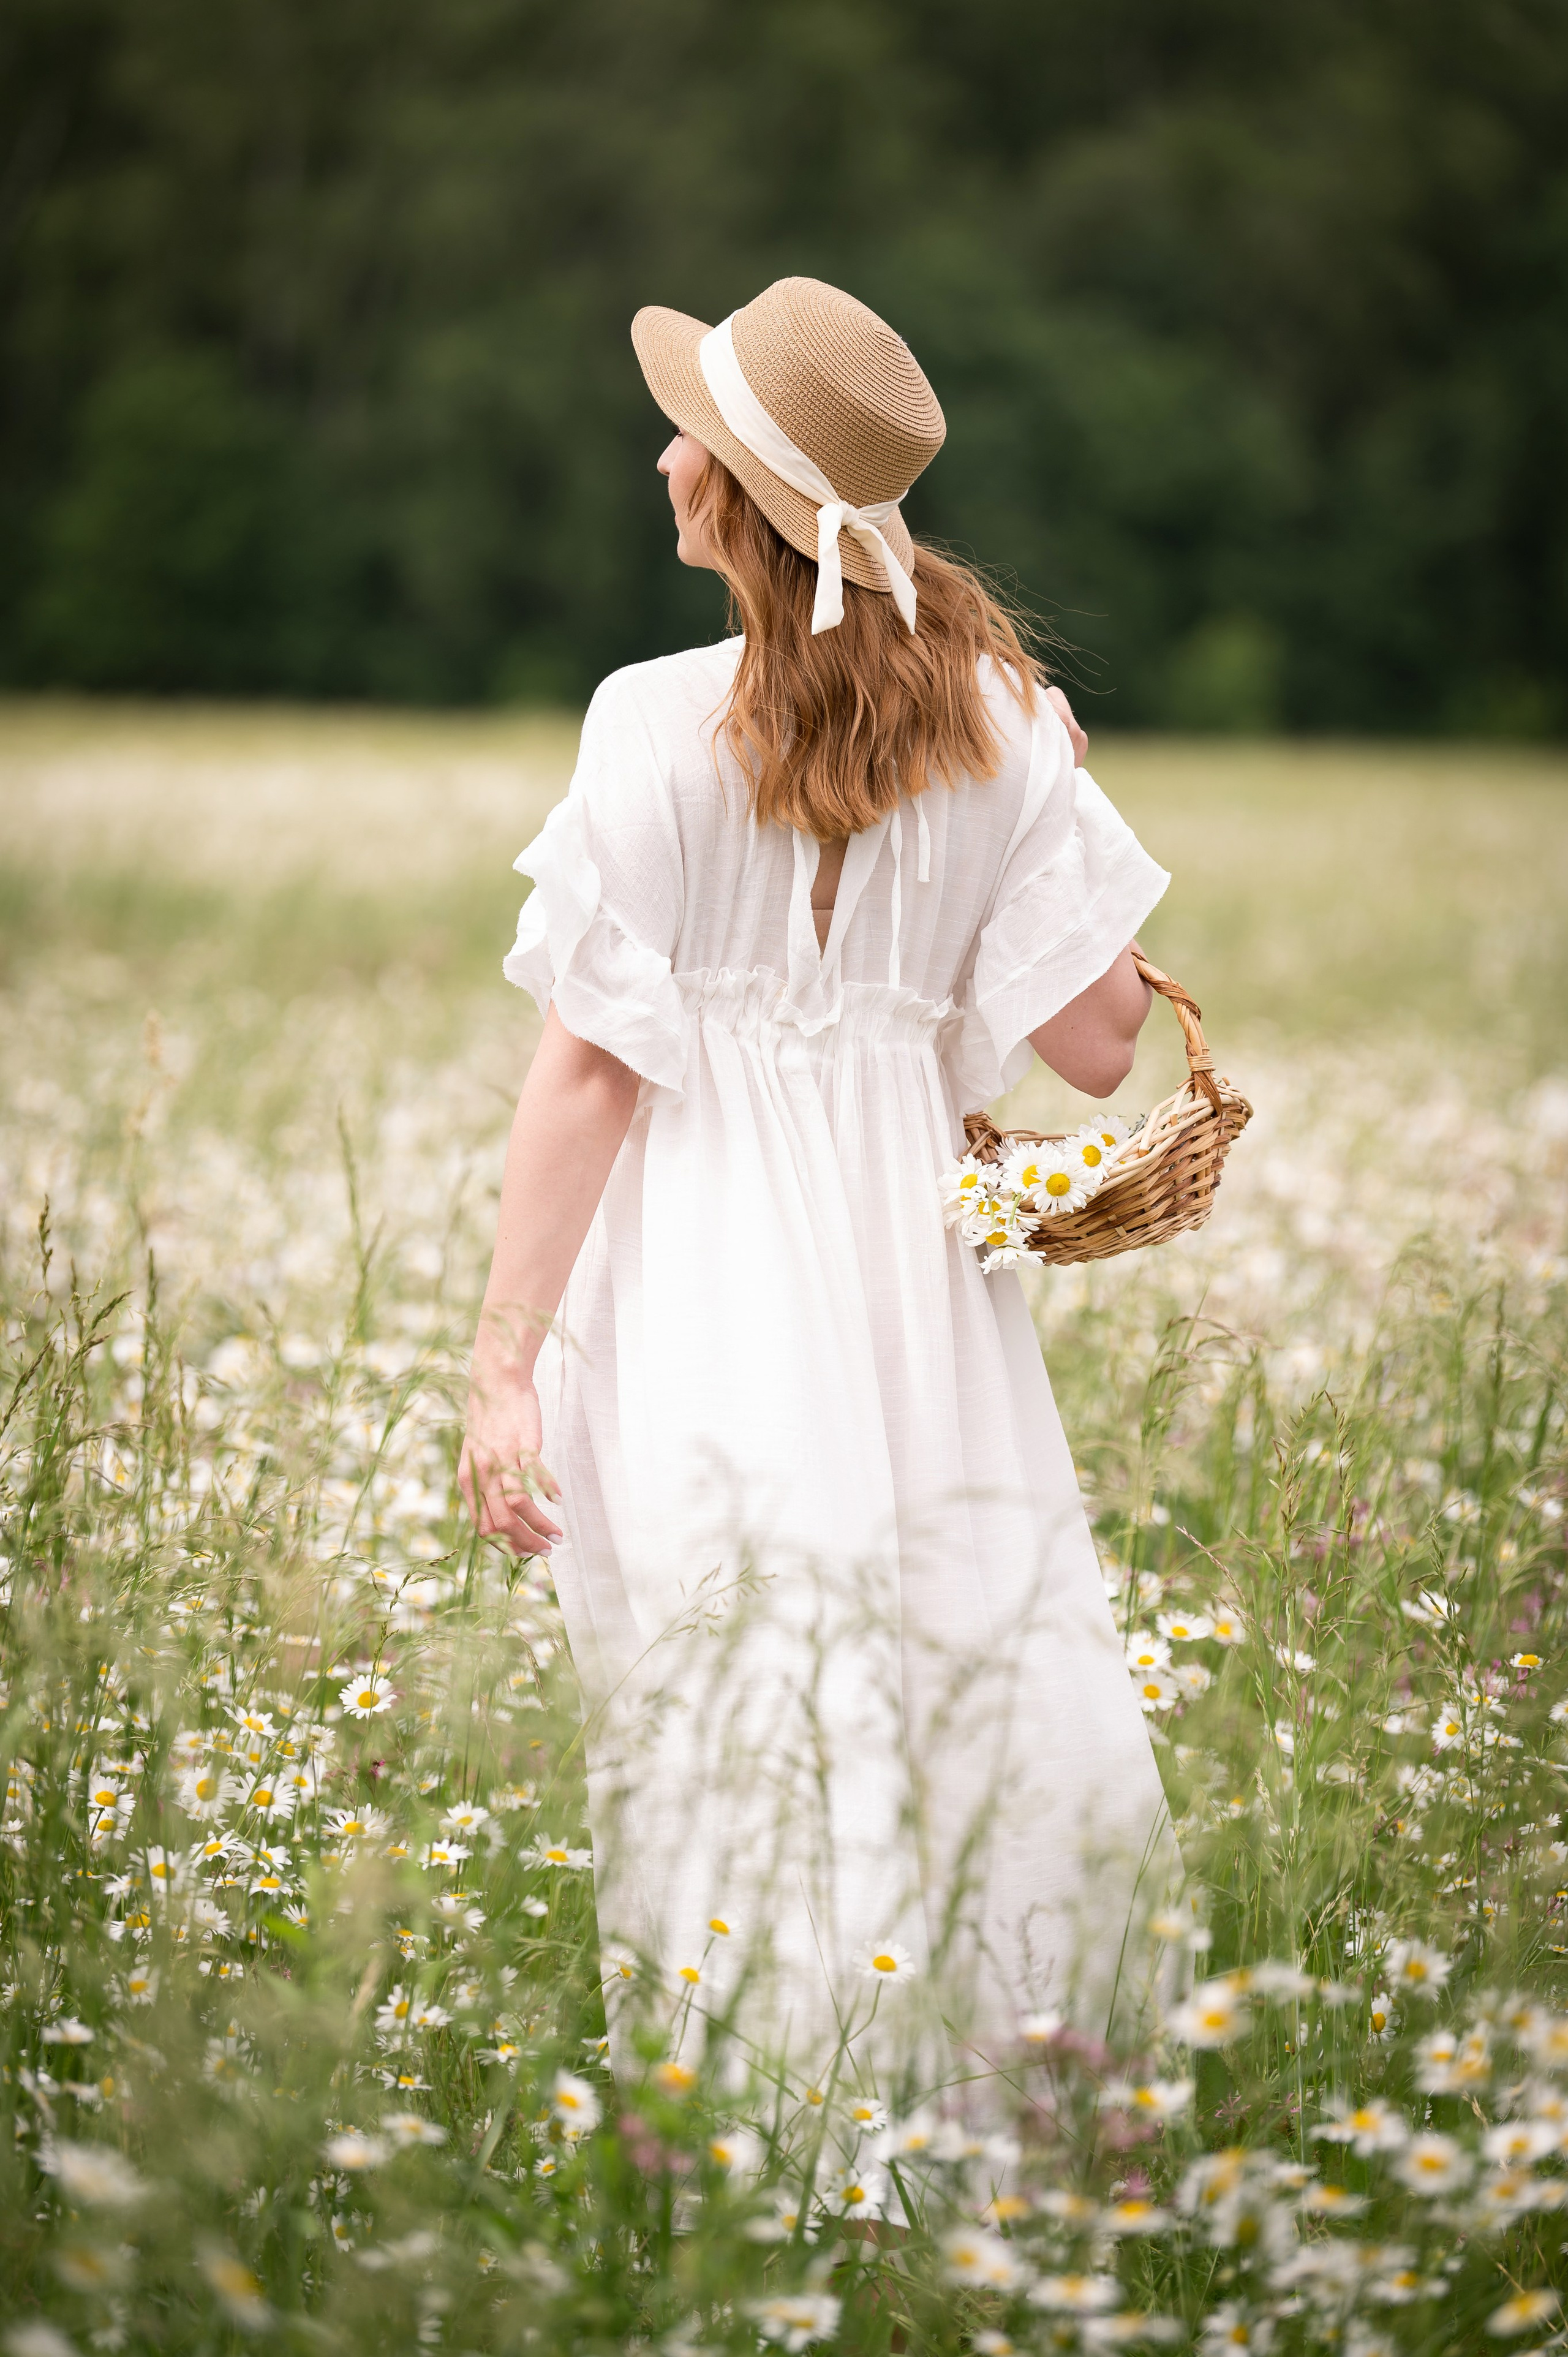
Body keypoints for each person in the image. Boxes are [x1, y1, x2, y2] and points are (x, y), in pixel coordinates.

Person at [461, 277, 1177, 2103]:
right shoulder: (1001, 719)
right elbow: (1100, 1047)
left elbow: (591, 1070)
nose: (661, 445)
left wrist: (499, 1363)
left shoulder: (649, 720)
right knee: (952, 1662)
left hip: (704, 1267)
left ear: (739, 498)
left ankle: (783, 2126)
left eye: (690, 423)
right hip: (919, 1281)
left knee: (745, 1689)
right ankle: (1004, 2097)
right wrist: (1064, 777)